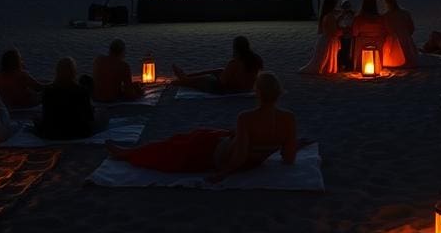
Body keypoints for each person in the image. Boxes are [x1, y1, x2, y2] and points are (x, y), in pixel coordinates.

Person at [106, 72, 297, 181]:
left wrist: (223, 173)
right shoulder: (288, 119)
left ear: (258, 93)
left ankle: (128, 154)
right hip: (240, 153)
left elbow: (238, 156)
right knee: (196, 135)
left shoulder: (247, 118)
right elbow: (289, 157)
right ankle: (129, 152)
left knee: (174, 147)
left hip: (218, 154)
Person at [36, 57, 109, 139]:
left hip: (52, 133)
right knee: (103, 113)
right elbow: (89, 117)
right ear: (74, 72)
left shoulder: (48, 91)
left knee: (37, 117)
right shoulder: (82, 91)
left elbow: (46, 115)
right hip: (79, 133)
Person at [172, 35, 263, 93]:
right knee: (218, 70)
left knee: (204, 79)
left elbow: (222, 82)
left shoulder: (234, 63)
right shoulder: (256, 59)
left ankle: (182, 80)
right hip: (245, 87)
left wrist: (219, 76)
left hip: (225, 88)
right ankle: (187, 76)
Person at [299, 0, 340, 75]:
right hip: (329, 41)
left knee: (321, 59)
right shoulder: (330, 16)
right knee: (323, 59)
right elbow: (333, 32)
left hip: (325, 39)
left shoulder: (326, 15)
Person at [380, 0, 417, 68]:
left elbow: (384, 31)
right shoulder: (405, 13)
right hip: (406, 40)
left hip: (393, 41)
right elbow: (412, 28)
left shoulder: (385, 16)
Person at [351, 0, 387, 71]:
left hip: (362, 41)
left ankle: (360, 67)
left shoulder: (359, 18)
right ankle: (377, 66)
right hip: (378, 41)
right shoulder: (381, 18)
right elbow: (384, 31)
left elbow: (354, 33)